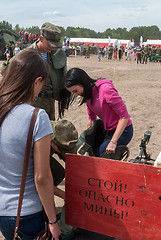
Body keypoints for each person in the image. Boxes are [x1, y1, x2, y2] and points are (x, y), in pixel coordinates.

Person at [0, 48, 61, 240]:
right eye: (41, 84)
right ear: (36, 81)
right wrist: (52, 221)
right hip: (28, 212)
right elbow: (42, 178)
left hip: (2, 212)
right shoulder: (36, 116)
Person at [0, 22, 67, 121]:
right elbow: (4, 70)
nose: (52, 47)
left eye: (55, 45)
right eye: (50, 44)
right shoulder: (27, 54)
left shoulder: (54, 54)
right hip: (34, 102)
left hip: (50, 101)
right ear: (41, 38)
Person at [60, 68, 133, 157]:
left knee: (98, 157)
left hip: (123, 131)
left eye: (75, 91)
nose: (75, 94)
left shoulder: (105, 90)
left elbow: (124, 116)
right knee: (90, 152)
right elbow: (91, 119)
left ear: (82, 82)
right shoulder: (87, 95)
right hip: (108, 130)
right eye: (72, 93)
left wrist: (113, 142)